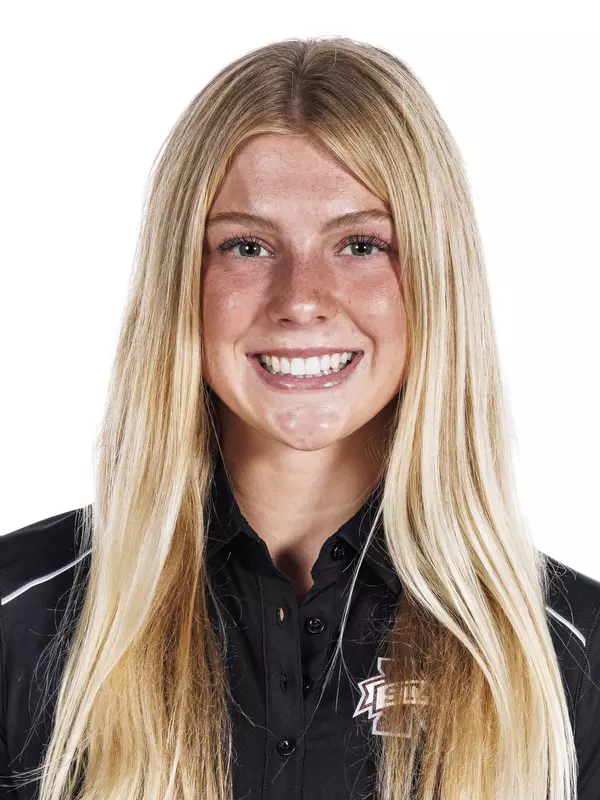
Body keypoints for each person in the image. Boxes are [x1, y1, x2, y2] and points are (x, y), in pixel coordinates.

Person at [1, 35, 599, 800]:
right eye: (247, 245)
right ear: (181, 277)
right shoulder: (20, 622)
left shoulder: (567, 658)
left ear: (437, 279)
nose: (302, 298)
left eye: (360, 244)